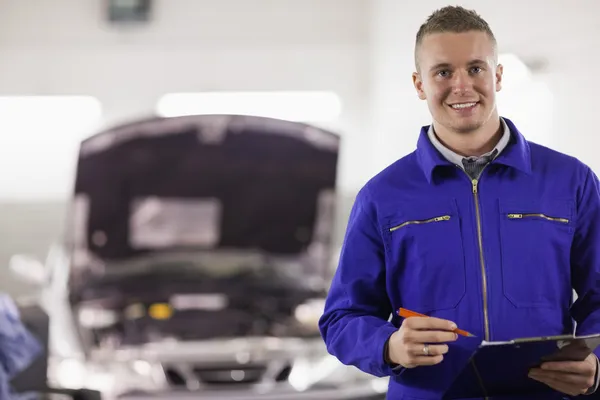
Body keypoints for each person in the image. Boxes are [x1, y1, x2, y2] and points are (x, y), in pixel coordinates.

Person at [318, 5, 600, 400]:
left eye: (476, 68)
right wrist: (389, 345)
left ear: (497, 75)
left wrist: (597, 361)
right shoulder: (382, 196)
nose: (462, 86)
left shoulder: (571, 181)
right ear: (419, 84)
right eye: (443, 72)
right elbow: (342, 318)